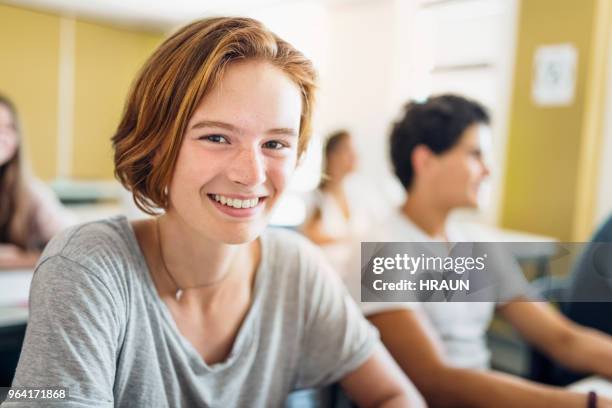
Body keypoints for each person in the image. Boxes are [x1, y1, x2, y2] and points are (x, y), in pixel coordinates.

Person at [3, 18, 424, 407]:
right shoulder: (88, 267)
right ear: (157, 144)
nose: (251, 173)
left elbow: (394, 394)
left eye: (275, 144)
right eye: (218, 137)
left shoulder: (296, 268)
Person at [344, 94, 612, 407]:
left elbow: (562, 338)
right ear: (425, 160)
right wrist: (587, 404)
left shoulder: (477, 244)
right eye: (475, 154)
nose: (488, 169)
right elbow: (434, 381)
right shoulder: (382, 250)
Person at [0, 94, 75, 269]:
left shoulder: (30, 191)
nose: (2, 135)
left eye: (9, 127)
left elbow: (71, 243)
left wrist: (19, 259)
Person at [301, 130, 370, 278]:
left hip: (355, 277)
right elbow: (311, 235)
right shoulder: (318, 197)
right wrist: (350, 239)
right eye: (348, 150)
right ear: (333, 156)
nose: (355, 156)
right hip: (327, 276)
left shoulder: (358, 195)